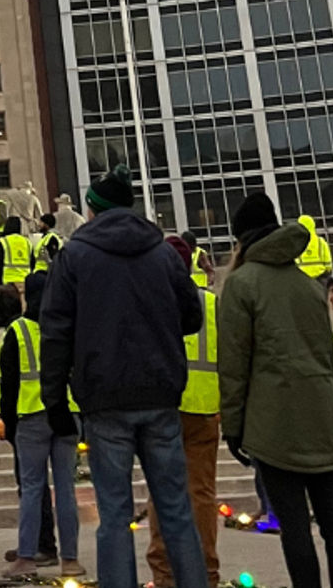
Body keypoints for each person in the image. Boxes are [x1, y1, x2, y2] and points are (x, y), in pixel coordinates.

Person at [41, 169, 207, 588]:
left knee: (114, 514)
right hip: (159, 391)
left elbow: (56, 330)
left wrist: (55, 400)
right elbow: (192, 316)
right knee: (175, 509)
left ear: (92, 208)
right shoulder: (164, 253)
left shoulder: (75, 255)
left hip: (104, 396)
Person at [218, 191, 333, 588]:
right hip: (316, 413)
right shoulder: (310, 285)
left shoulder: (241, 284)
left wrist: (233, 425)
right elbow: (328, 354)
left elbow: (234, 363)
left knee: (294, 526)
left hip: (271, 418)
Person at [148, 239, 219, 588]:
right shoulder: (211, 304)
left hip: (164, 408)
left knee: (161, 491)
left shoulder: (154, 299)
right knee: (202, 493)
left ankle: (164, 575)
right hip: (206, 409)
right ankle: (207, 572)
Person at [0, 283, 76, 575]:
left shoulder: (17, 332)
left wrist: (9, 423)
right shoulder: (67, 325)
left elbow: (8, 384)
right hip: (67, 415)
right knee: (66, 489)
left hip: (31, 416)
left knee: (31, 487)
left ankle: (27, 557)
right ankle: (71, 560)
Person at [293, 214, 333, 286]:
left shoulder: (296, 242)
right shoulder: (320, 241)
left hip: (302, 276)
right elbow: (327, 258)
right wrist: (328, 269)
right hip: (320, 276)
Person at [0, 217, 34, 290]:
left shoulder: (3, 241)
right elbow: (32, 262)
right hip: (25, 280)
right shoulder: (27, 242)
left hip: (8, 280)